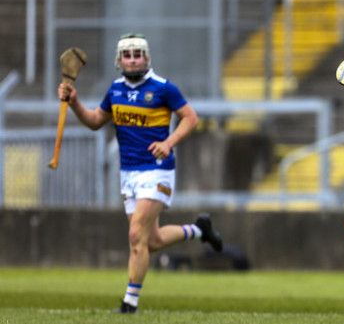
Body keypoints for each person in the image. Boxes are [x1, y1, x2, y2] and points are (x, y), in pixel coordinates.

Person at [58, 33, 224, 313]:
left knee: (136, 236)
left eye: (138, 54)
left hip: (157, 171)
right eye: (127, 55)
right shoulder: (114, 90)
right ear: (119, 60)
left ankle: (129, 304)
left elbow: (191, 118)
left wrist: (168, 142)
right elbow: (96, 121)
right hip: (129, 174)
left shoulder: (163, 88)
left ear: (147, 58)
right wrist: (74, 103)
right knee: (152, 240)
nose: (133, 60)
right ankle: (199, 230)